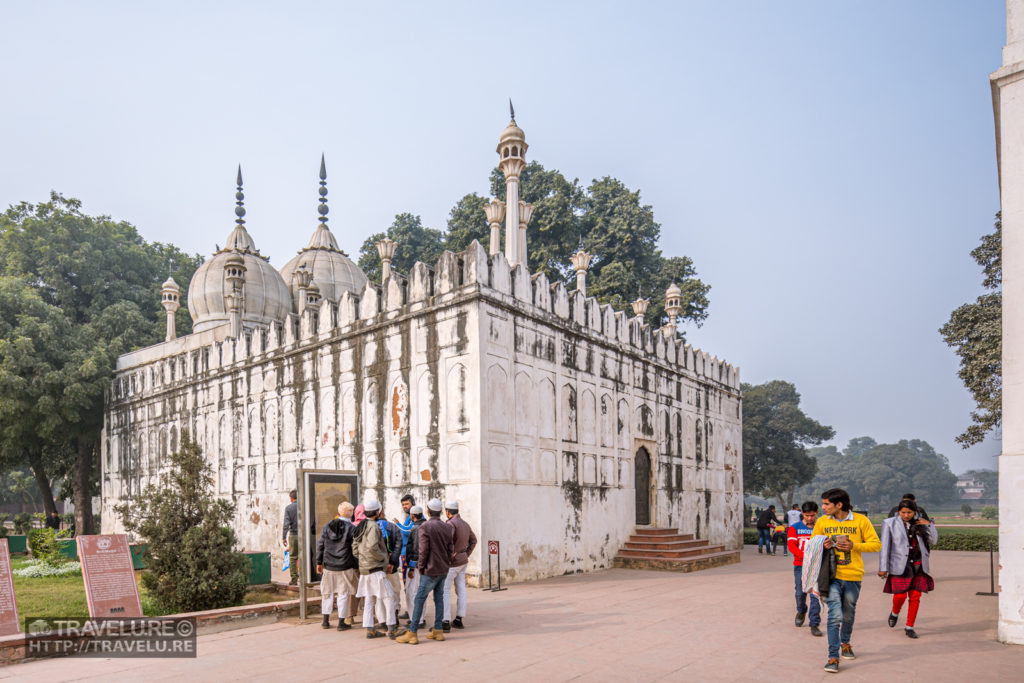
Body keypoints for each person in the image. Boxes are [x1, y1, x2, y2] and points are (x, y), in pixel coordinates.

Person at [812, 488, 881, 674]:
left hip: (853, 576)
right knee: (834, 615)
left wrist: (853, 545)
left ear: (839, 505)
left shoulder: (861, 521)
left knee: (848, 614)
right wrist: (822, 544)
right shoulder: (822, 522)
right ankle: (833, 657)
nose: (823, 507)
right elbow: (812, 544)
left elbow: (876, 544)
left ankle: (846, 643)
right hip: (831, 576)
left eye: (826, 504)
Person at [396, 498, 454, 645]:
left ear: (427, 511)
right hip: (443, 568)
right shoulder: (447, 527)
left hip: (430, 569)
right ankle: (438, 630)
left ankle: (413, 632)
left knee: (419, 598)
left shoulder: (425, 527)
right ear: (441, 511)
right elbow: (450, 549)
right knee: (439, 598)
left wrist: (420, 568)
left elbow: (423, 550)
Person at [879, 499, 938, 639]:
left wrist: (929, 525)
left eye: (909, 512)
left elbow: (933, 541)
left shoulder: (921, 523)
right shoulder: (890, 523)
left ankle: (909, 626)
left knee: (915, 597)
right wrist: (883, 567)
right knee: (900, 595)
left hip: (918, 564)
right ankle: (894, 612)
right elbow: (884, 547)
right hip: (900, 565)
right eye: (903, 512)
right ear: (899, 512)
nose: (906, 515)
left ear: (915, 512)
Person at [352, 499, 402, 639]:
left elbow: (355, 548)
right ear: (377, 512)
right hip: (375, 568)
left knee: (369, 600)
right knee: (389, 597)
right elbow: (373, 546)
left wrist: (363, 558)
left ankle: (370, 629)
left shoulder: (361, 525)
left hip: (365, 568)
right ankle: (392, 629)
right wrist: (384, 559)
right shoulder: (373, 526)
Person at [316, 501, 358, 631]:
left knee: (327, 593)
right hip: (345, 565)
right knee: (343, 593)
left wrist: (319, 562)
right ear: (351, 514)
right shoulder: (352, 528)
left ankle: (325, 621)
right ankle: (341, 622)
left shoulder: (328, 526)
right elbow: (355, 549)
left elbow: (320, 545)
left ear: (339, 512)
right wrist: (356, 565)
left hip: (329, 565)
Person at [787, 501, 822, 637]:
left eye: (812, 516)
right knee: (800, 593)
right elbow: (792, 546)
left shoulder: (821, 527)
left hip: (817, 566)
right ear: (802, 513)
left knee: (815, 595)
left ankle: (814, 623)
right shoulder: (795, 528)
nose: (809, 518)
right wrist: (806, 556)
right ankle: (801, 611)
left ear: (816, 513)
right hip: (800, 565)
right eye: (807, 515)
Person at [442, 500, 477, 631]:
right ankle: (459, 618)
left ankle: (445, 620)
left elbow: (448, 542)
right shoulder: (465, 524)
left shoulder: (451, 524)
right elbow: (474, 541)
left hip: (452, 563)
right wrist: (466, 553)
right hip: (463, 561)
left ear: (447, 512)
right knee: (461, 590)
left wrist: (450, 554)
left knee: (445, 591)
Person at [403, 505, 427, 628]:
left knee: (412, 593)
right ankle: (419, 618)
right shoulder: (427, 525)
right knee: (420, 592)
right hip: (426, 565)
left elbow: (416, 550)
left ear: (412, 516)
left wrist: (411, 567)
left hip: (416, 566)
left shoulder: (416, 528)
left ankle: (417, 620)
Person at [393, 494, 416, 618]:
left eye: (406, 504)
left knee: (410, 586)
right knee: (408, 586)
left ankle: (413, 614)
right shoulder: (409, 517)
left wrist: (397, 524)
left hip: (408, 555)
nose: (404, 506)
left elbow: (407, 531)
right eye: (403, 504)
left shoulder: (415, 517)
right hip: (405, 553)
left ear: (412, 503)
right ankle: (411, 611)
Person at [282, 490, 299, 585]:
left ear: (291, 498)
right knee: (305, 557)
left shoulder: (289, 508)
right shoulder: (304, 506)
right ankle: (308, 578)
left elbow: (286, 524)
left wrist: (284, 537)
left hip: (293, 535)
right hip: (304, 535)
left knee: (293, 557)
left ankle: (294, 579)